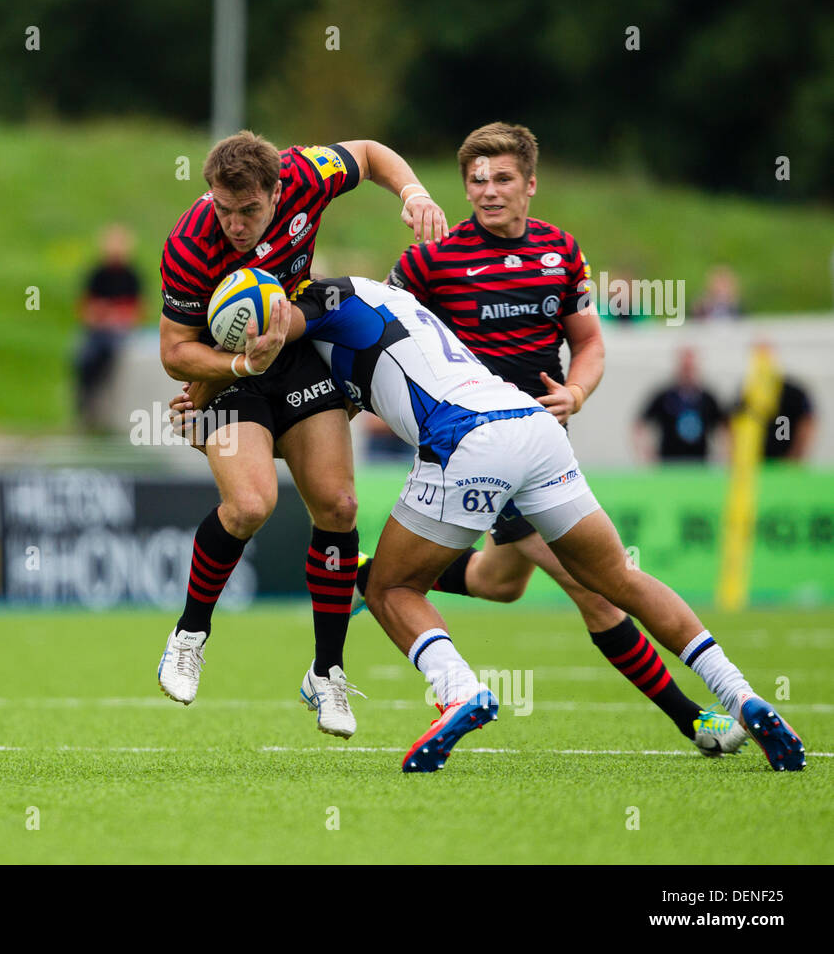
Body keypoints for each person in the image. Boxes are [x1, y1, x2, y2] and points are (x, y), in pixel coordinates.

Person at [235, 276, 803, 771]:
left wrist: (218, 368)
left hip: (467, 439)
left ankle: (461, 692)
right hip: (532, 424)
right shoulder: (380, 315)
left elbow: (273, 331)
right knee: (616, 581)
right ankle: (742, 695)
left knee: (393, 587)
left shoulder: (324, 299)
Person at [353, 122, 744, 755]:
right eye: (476, 180)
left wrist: (577, 393)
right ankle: (692, 717)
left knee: (501, 582)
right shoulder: (430, 260)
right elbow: (379, 337)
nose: (487, 191)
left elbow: (588, 342)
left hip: (544, 444)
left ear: (531, 184)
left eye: (502, 178)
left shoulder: (560, 250)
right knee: (595, 588)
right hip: (478, 447)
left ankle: (367, 575)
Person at [156, 130, 447, 738]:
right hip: (225, 375)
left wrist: (413, 190)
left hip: (293, 351)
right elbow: (175, 353)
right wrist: (239, 365)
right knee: (250, 503)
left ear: (278, 189)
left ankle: (327, 672)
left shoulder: (307, 174)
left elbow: (368, 154)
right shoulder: (189, 245)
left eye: (249, 211)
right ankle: (189, 635)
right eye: (223, 209)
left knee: (340, 505)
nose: (235, 225)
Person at [74, 224, 142, 424]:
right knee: (84, 357)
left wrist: (109, 314)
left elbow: (136, 311)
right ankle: (87, 407)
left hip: (120, 333)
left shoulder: (132, 276)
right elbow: (85, 309)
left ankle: (107, 410)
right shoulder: (97, 274)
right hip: (97, 332)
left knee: (112, 357)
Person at [635, 348, 726, 462]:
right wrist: (646, 452)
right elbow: (640, 424)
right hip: (669, 465)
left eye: (690, 368)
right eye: (685, 368)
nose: (688, 373)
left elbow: (724, 427)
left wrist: (724, 454)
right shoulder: (665, 396)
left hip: (700, 465)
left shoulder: (707, 398)